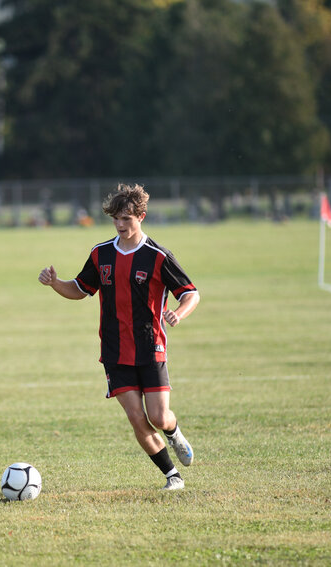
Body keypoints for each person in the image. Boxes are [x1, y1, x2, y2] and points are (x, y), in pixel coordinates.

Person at [38, 184, 199, 490]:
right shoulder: (101, 254)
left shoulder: (158, 256)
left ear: (142, 216)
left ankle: (174, 432)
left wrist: (180, 312)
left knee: (159, 416)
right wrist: (55, 283)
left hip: (150, 347)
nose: (121, 225)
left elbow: (191, 293)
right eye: (116, 219)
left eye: (127, 219)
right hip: (114, 351)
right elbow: (80, 288)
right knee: (137, 418)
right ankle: (172, 476)